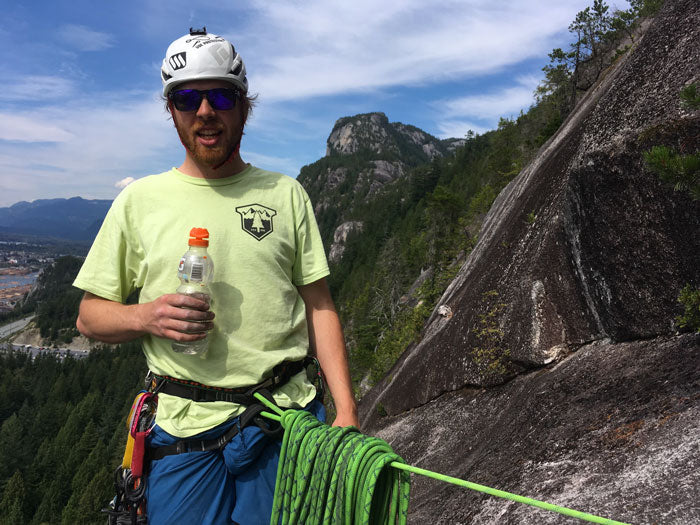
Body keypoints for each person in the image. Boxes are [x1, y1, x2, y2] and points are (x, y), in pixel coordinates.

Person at [74, 27, 358, 525]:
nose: (205, 111)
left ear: (244, 107)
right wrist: (148, 316)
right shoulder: (139, 202)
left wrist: (347, 411)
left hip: (282, 420)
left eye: (221, 95)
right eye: (187, 97)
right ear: (172, 111)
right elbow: (89, 318)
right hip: (182, 432)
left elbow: (319, 305)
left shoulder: (286, 195)